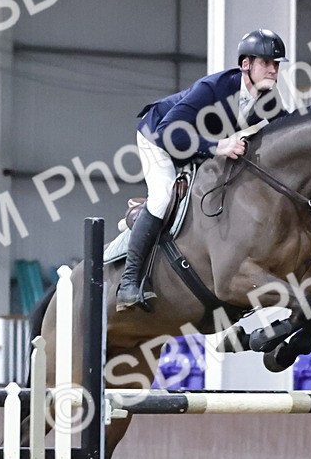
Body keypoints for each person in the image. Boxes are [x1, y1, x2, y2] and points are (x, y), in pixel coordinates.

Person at [116, 28, 289, 312]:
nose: (273, 70)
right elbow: (167, 134)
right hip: (157, 136)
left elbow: (289, 128)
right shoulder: (213, 88)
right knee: (163, 196)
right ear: (246, 64)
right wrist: (217, 147)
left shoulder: (268, 98)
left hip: (196, 144)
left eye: (277, 64)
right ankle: (128, 283)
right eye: (267, 63)